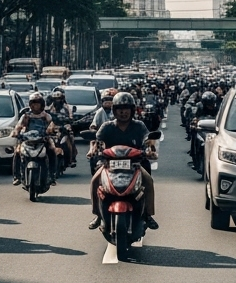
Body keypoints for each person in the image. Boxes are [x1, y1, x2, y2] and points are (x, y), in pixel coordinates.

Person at [86, 92, 157, 231]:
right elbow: (97, 141)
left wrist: (150, 150)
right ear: (114, 111)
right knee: (95, 181)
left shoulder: (139, 126)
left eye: (126, 109)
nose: (123, 112)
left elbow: (147, 140)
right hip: (109, 165)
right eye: (120, 109)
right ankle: (98, 215)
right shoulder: (106, 126)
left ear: (132, 110)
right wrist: (94, 150)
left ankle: (148, 215)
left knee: (148, 181)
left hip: (135, 164)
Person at [11, 91, 60, 186]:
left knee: (52, 150)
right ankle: (17, 176)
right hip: (27, 140)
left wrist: (52, 131)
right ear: (30, 105)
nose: (35, 106)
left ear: (42, 104)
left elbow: (52, 125)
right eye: (33, 103)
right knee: (17, 152)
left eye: (37, 103)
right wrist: (16, 132)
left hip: (43, 139)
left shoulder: (46, 116)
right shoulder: (26, 116)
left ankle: (52, 176)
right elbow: (19, 126)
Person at [47, 89, 77, 168]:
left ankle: (72, 158)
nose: (57, 101)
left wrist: (70, 119)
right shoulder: (50, 108)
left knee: (71, 138)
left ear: (62, 99)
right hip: (53, 126)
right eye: (55, 99)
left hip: (64, 126)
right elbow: (46, 115)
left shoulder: (67, 107)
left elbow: (70, 115)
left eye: (59, 99)